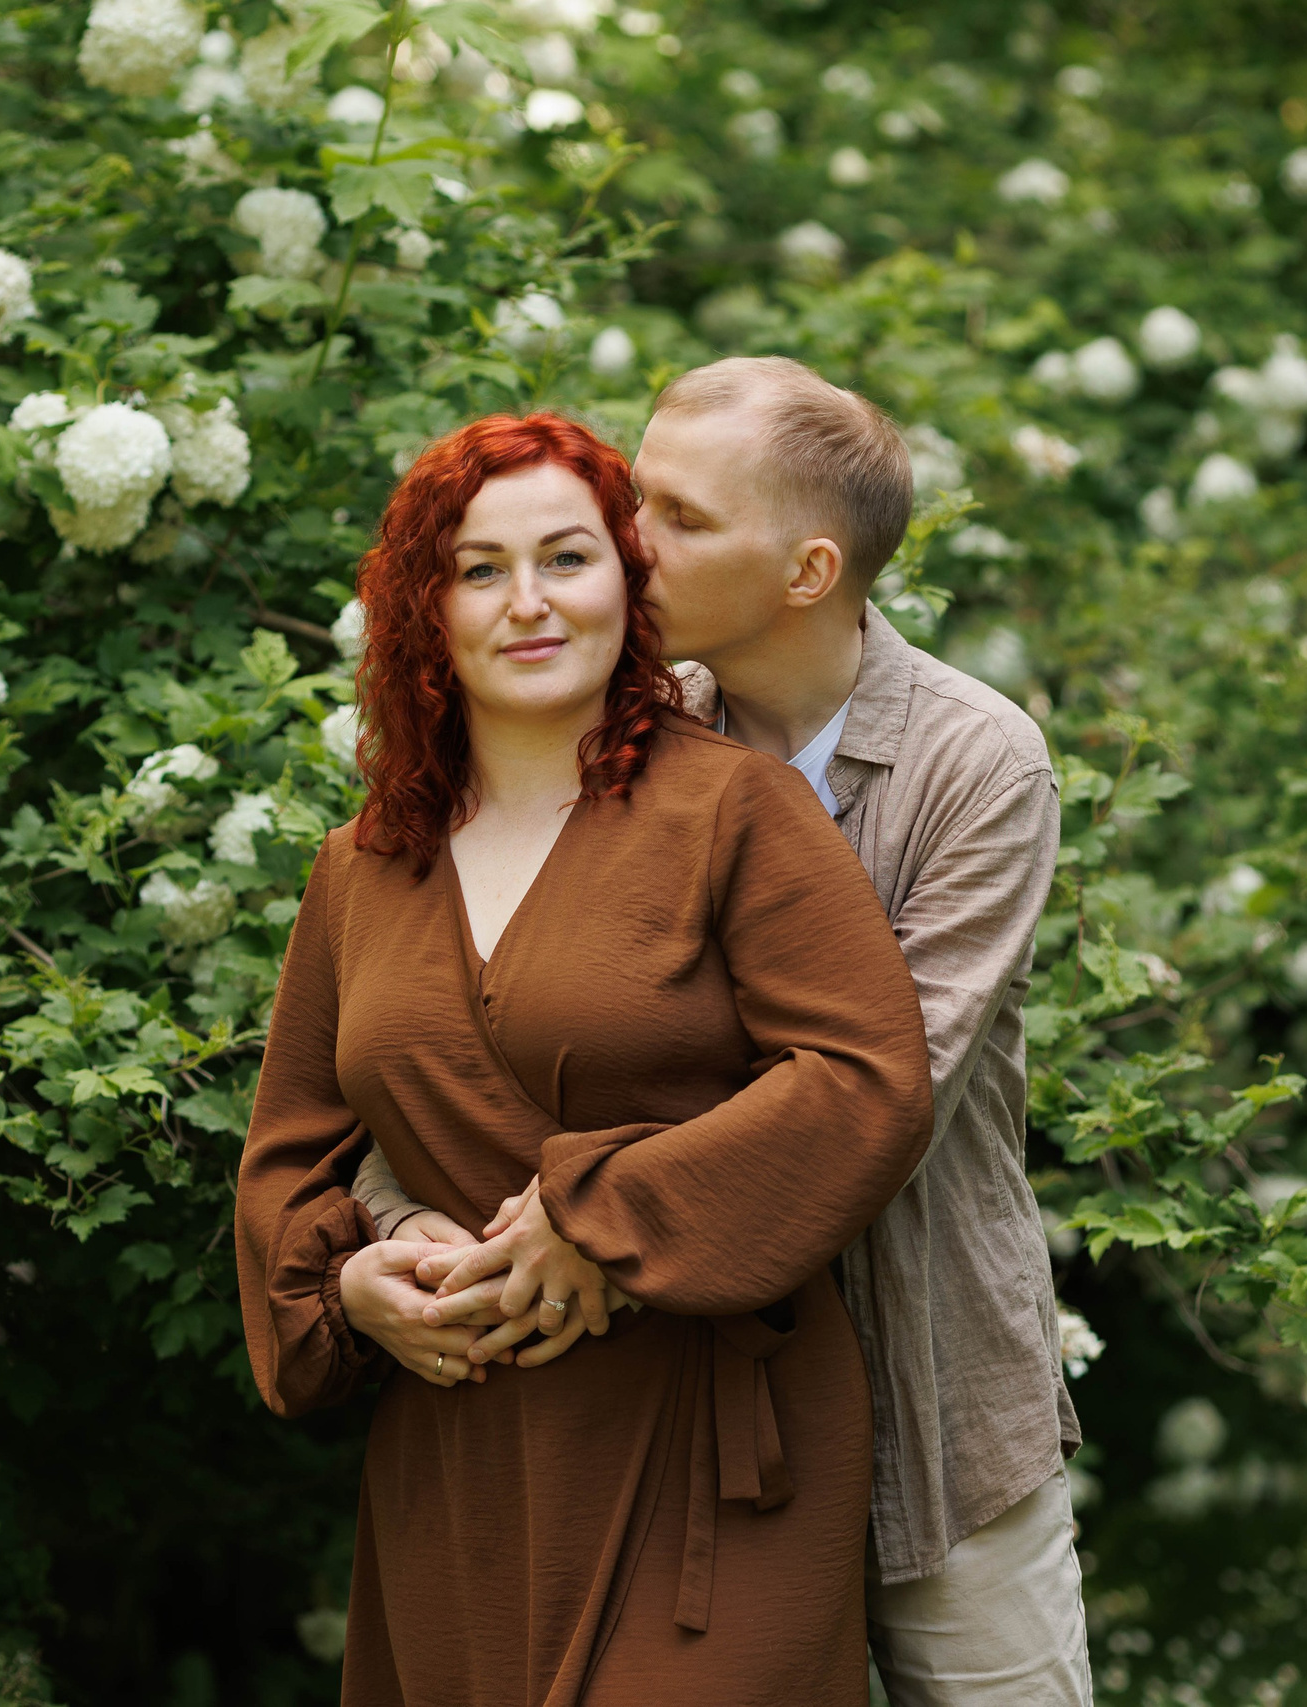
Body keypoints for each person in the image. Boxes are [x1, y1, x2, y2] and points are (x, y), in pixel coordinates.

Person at [356, 357, 1093, 1706]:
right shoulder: (623, 739)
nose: (629, 542)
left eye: (683, 521)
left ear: (808, 572)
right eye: (638, 500)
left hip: (932, 1381)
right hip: (677, 1397)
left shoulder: (976, 765)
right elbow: (477, 1030)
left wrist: (598, 1217)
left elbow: (888, 1087)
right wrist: (411, 1219)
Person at [232, 412, 934, 1704]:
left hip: (713, 1447)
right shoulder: (362, 869)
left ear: (627, 576)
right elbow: (286, 1159)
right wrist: (356, 1290)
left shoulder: (737, 812)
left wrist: (600, 1214)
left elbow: (866, 1082)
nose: (529, 603)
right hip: (463, 1453)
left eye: (567, 558)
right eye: (480, 569)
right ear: (422, 608)